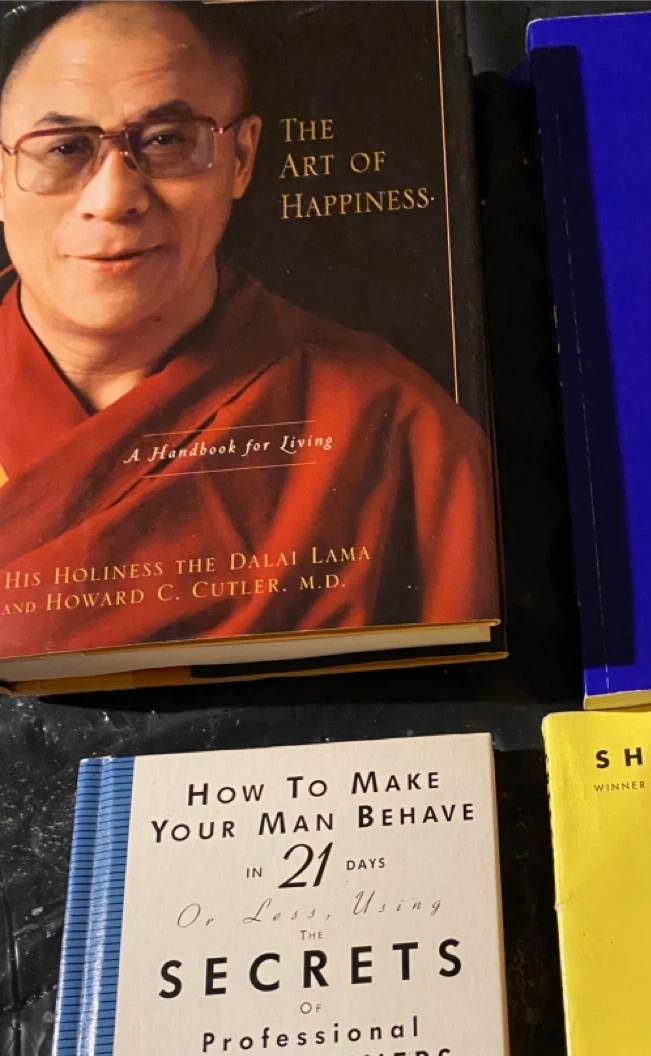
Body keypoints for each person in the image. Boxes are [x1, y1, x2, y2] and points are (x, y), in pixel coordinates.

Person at [0, 0, 497, 658]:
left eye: (166, 141)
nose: (113, 199)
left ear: (240, 157)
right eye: (64, 148)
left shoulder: (393, 422)